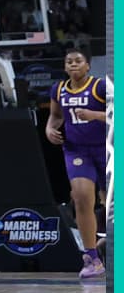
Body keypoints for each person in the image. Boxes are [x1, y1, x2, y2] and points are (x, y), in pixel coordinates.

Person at [46, 48, 109, 280]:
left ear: (87, 66)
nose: (73, 64)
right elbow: (55, 115)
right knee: (82, 198)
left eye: (78, 61)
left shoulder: (101, 87)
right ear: (65, 67)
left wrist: (95, 115)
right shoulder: (59, 89)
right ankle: (92, 257)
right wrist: (49, 128)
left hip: (106, 148)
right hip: (76, 150)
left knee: (110, 205)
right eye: (69, 62)